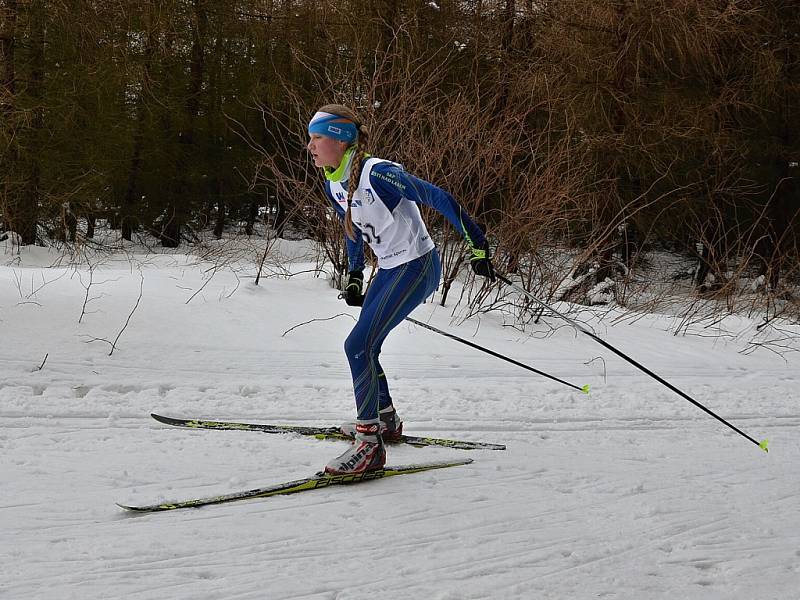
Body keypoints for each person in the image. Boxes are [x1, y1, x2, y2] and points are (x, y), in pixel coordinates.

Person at [307, 104, 495, 475]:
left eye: (317, 138)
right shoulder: (334, 181)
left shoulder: (379, 174)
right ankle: (386, 420)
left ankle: (369, 445)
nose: (309, 146)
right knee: (366, 344)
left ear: (342, 139)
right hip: (390, 269)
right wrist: (356, 274)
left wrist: (478, 245)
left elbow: (439, 198)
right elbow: (352, 230)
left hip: (416, 266)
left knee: (356, 345)